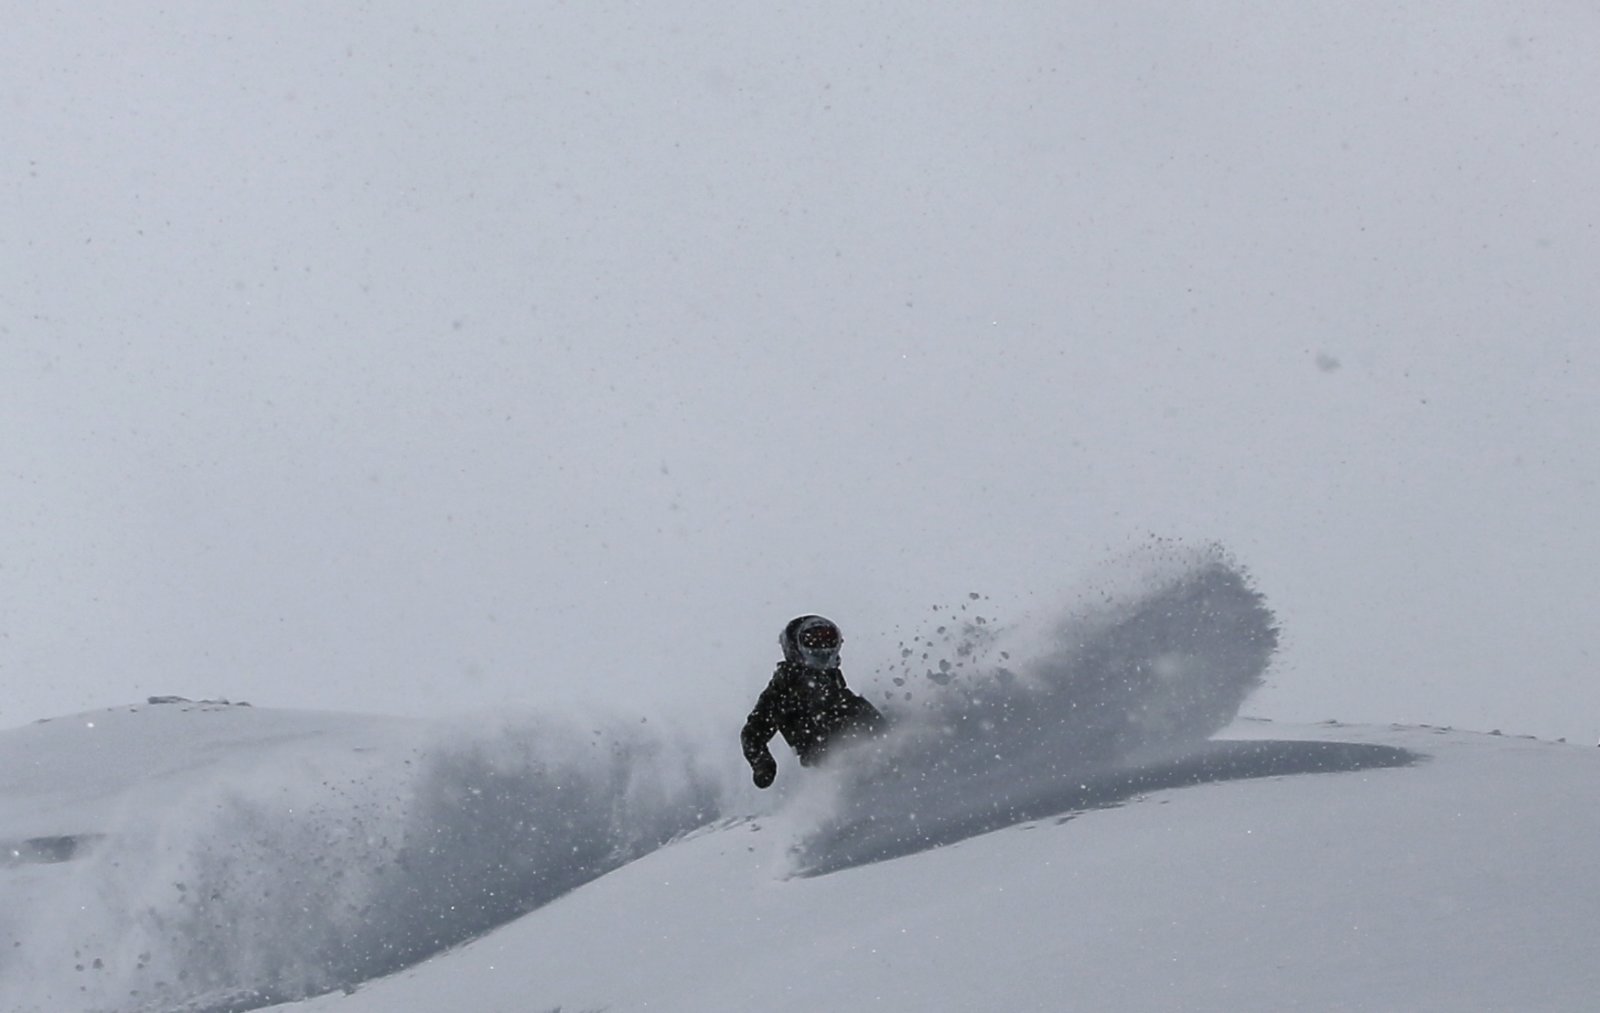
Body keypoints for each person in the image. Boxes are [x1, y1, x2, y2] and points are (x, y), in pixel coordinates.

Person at [741, 614, 886, 788]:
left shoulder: (836, 686)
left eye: (828, 640)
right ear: (795, 647)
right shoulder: (781, 692)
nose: (822, 648)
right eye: (813, 641)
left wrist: (892, 737)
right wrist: (763, 766)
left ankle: (901, 751)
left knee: (878, 720)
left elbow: (872, 720)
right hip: (826, 759)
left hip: (859, 753)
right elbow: (752, 735)